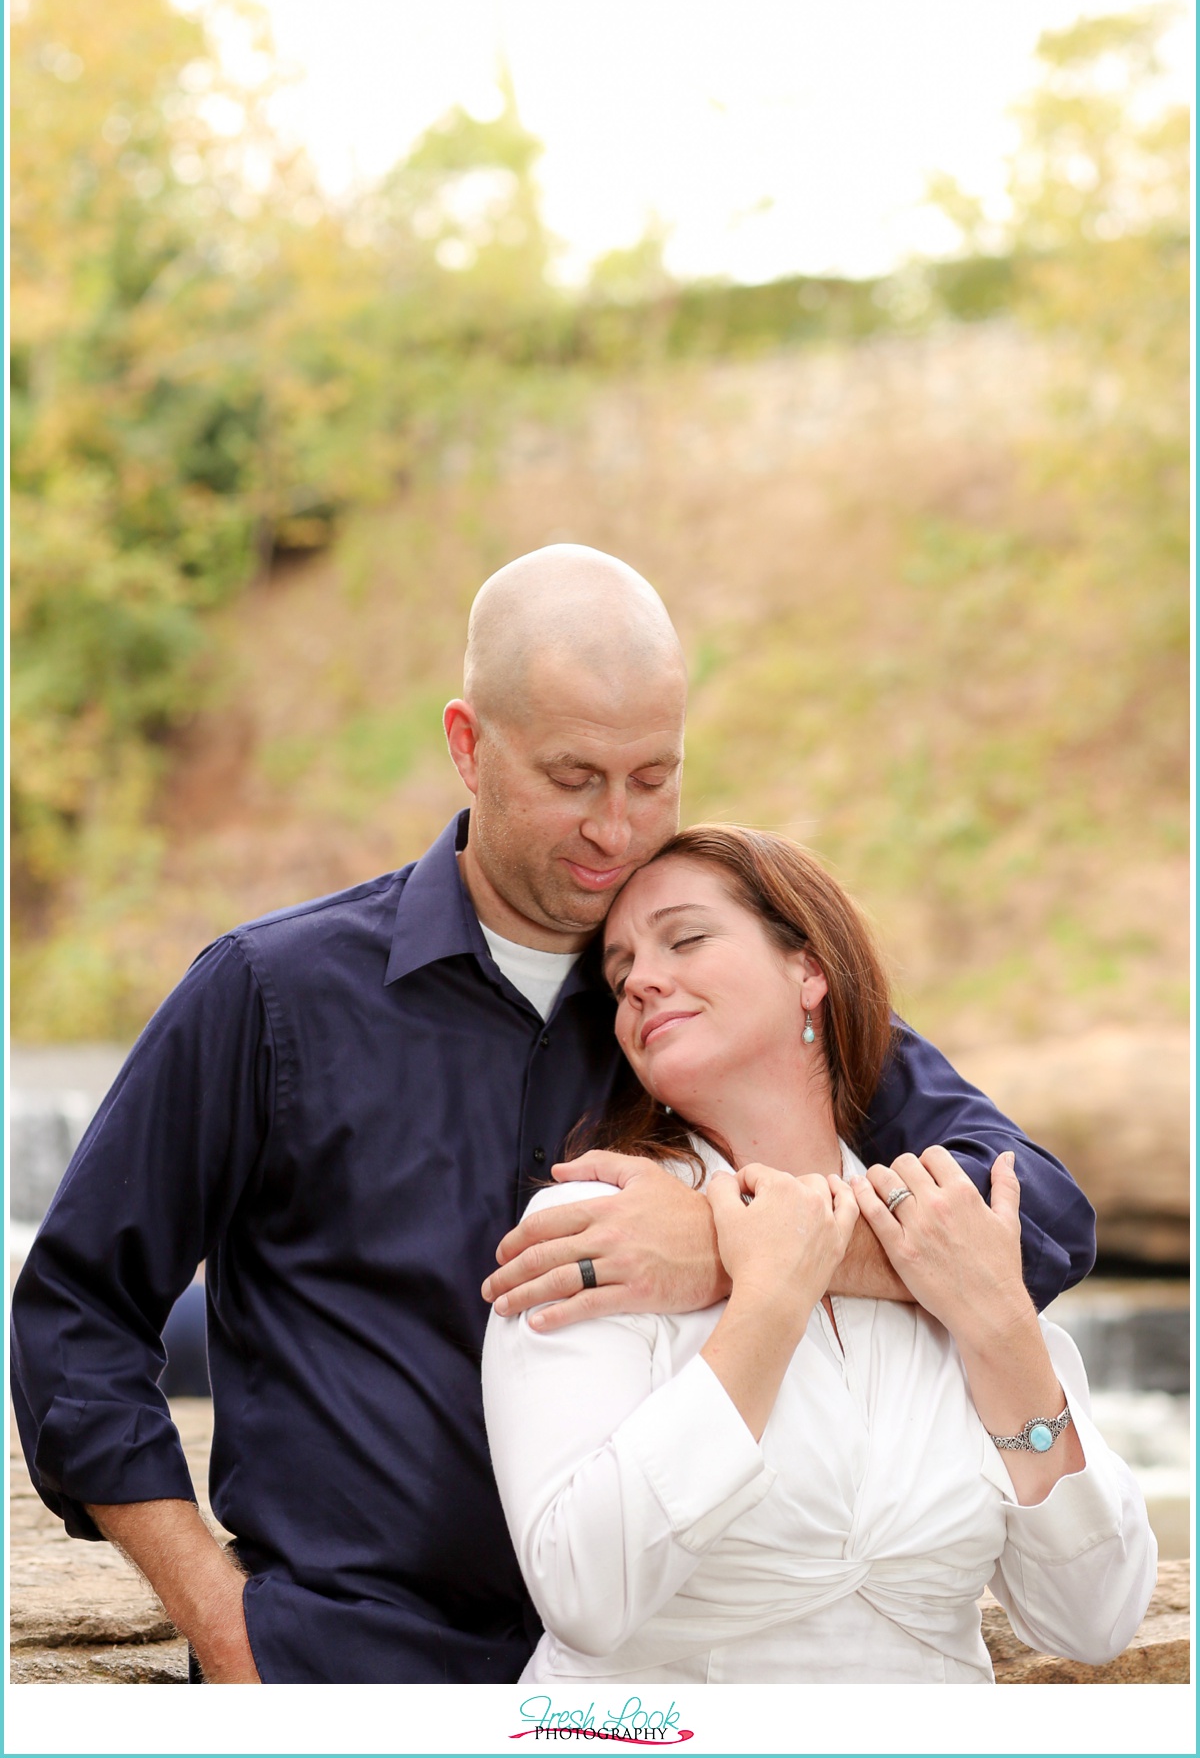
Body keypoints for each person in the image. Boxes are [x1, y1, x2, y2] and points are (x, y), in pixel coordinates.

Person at [11, 547, 1097, 1685]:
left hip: (649, 1693)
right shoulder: (270, 994)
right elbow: (77, 1312)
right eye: (576, 777)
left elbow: (1037, 1219)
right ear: (468, 744)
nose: (619, 829)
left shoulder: (710, 1004)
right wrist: (225, 1625)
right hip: (344, 1673)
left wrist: (732, 1245)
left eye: (654, 777)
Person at [482, 826, 1156, 1684]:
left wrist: (998, 1329)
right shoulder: (597, 1224)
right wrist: (767, 1301)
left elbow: (1096, 1614)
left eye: (685, 938)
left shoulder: (946, 1236)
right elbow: (583, 1593)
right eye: (620, 976)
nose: (643, 980)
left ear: (810, 971)